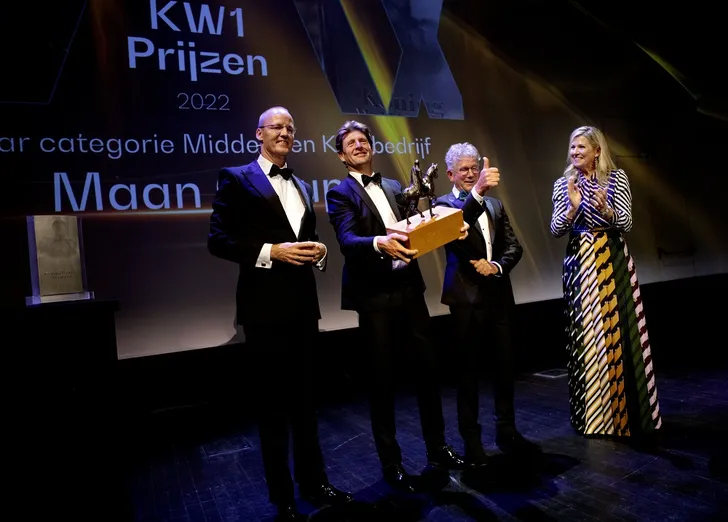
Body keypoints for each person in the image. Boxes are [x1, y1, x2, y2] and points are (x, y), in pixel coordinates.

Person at [208, 106, 352, 522]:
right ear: (259, 134)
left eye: (291, 127)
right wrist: (271, 252)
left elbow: (305, 237)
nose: (285, 132)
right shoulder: (236, 177)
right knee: (272, 409)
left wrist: (319, 250)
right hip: (263, 309)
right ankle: (283, 497)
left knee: (306, 404)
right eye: (277, 127)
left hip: (303, 306)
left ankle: (315, 483)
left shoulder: (302, 184)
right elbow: (218, 240)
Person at [325, 120, 468, 492]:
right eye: (351, 143)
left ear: (371, 147)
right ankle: (392, 463)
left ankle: (438, 449)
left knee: (428, 372)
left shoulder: (392, 185)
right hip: (375, 298)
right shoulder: (339, 193)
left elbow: (416, 227)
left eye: (363, 140)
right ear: (341, 155)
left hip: (409, 291)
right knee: (382, 382)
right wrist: (379, 243)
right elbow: (347, 240)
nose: (359, 145)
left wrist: (449, 228)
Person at [550, 125, 662, 440]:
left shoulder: (616, 179)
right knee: (586, 337)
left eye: (581, 148)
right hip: (579, 264)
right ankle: (593, 418)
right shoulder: (563, 184)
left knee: (619, 332)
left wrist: (606, 210)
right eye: (572, 147)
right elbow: (555, 229)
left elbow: (626, 222)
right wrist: (572, 209)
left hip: (612, 260)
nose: (575, 153)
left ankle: (627, 415)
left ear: (597, 151)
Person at [434, 142, 541, 467]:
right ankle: (472, 441)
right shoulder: (443, 205)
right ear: (450, 174)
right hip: (467, 300)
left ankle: (507, 431)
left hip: (498, 295)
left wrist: (496, 267)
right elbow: (455, 234)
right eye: (463, 169)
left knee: (505, 367)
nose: (470, 174)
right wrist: (478, 192)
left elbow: (514, 246)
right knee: (468, 373)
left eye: (474, 168)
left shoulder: (495, 205)